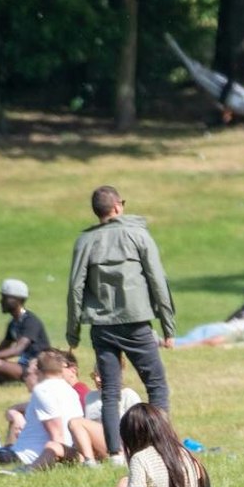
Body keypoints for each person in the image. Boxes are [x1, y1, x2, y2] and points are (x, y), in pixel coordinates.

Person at [66, 184, 176, 461]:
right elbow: (157, 280)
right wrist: (168, 327)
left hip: (101, 325)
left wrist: (73, 333)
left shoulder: (85, 241)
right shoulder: (138, 234)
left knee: (110, 391)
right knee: (156, 385)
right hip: (136, 320)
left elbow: (75, 287)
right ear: (117, 206)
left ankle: (115, 452)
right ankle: (160, 444)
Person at [5, 350, 86, 468]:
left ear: (38, 371)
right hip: (41, 453)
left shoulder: (42, 390)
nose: (26, 378)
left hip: (26, 456)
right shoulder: (71, 392)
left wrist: (55, 458)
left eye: (28, 374)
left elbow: (57, 435)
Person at [170, 292, 244, 348]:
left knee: (186, 339)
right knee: (190, 343)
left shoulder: (243, 312)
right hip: (224, 331)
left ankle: (162, 342)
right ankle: (163, 343)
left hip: (216, 326)